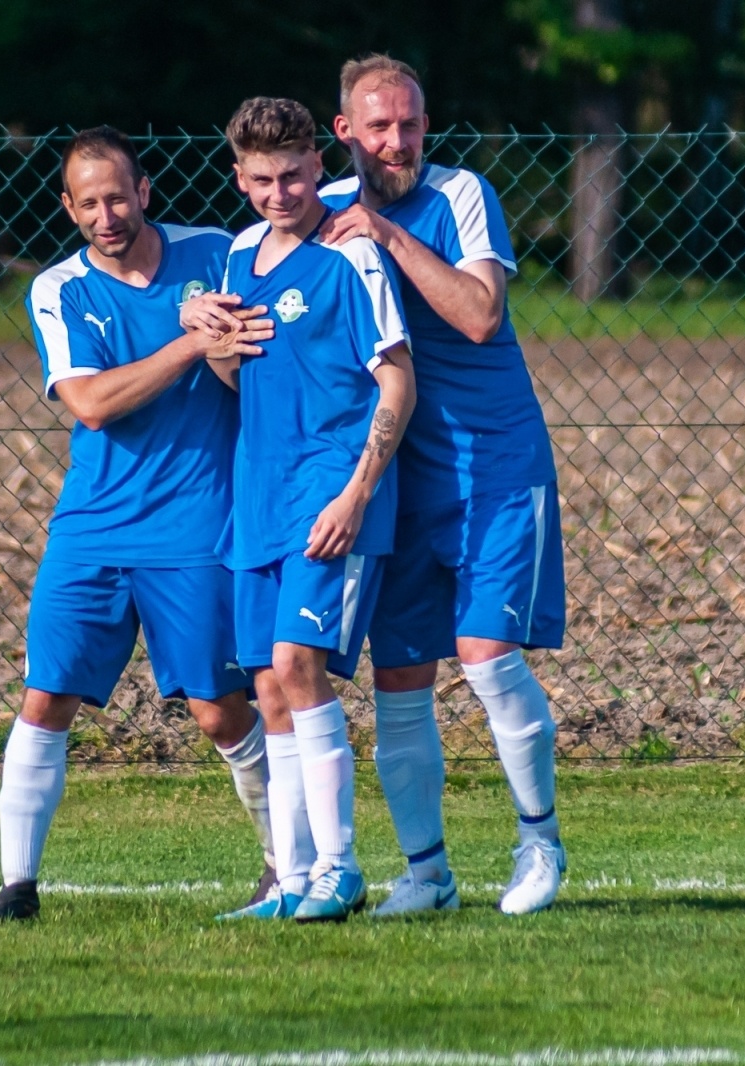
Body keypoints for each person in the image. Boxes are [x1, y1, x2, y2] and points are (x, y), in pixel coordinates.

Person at [0, 126, 278, 924]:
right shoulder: (58, 289)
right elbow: (93, 404)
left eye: (118, 196)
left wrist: (227, 350)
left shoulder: (220, 252)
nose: (107, 213)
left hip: (199, 519)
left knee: (218, 708)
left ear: (145, 192)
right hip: (93, 526)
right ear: (68, 208)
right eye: (88, 201)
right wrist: (189, 343)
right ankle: (17, 887)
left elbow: (251, 360)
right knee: (46, 697)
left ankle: (288, 867)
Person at [319, 55, 569, 917]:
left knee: (489, 659)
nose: (398, 141)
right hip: (397, 484)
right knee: (399, 685)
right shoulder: (317, 214)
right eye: (379, 127)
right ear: (344, 130)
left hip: (495, 468)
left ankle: (540, 842)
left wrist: (385, 234)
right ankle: (427, 874)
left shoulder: (461, 194)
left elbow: (478, 313)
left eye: (411, 123)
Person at [201, 97, 414, 924]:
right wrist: (213, 344)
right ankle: (290, 879)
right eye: (261, 179)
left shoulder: (351, 253)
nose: (279, 192)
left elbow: (397, 378)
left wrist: (357, 492)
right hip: (259, 494)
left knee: (298, 664)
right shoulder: (240, 255)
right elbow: (240, 373)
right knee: (267, 684)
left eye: (293, 174)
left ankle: (340, 867)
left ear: (318, 165)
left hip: (332, 492)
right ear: (239, 177)